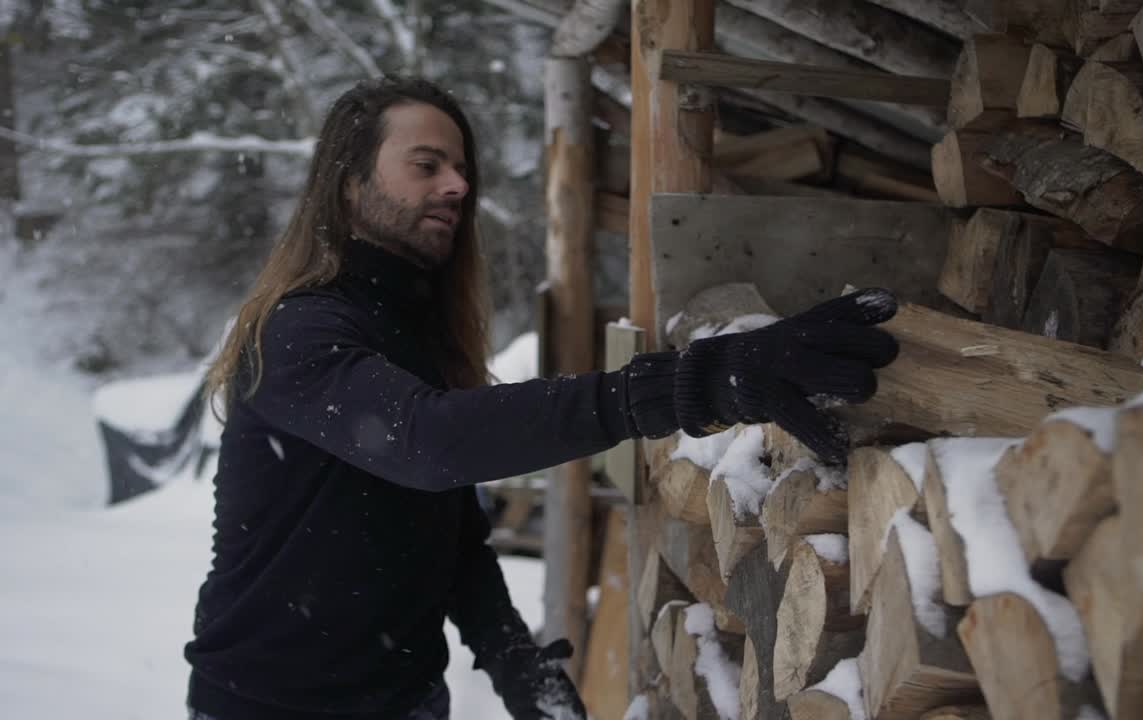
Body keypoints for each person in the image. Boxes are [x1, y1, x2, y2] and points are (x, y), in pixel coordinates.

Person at [185, 75, 899, 720]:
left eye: (461, 168)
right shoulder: (299, 330)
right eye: (427, 165)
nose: (459, 186)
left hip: (405, 703)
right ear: (348, 185)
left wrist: (514, 661)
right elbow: (428, 444)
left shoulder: (415, 338)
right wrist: (697, 381)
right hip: (267, 705)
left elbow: (449, 534)